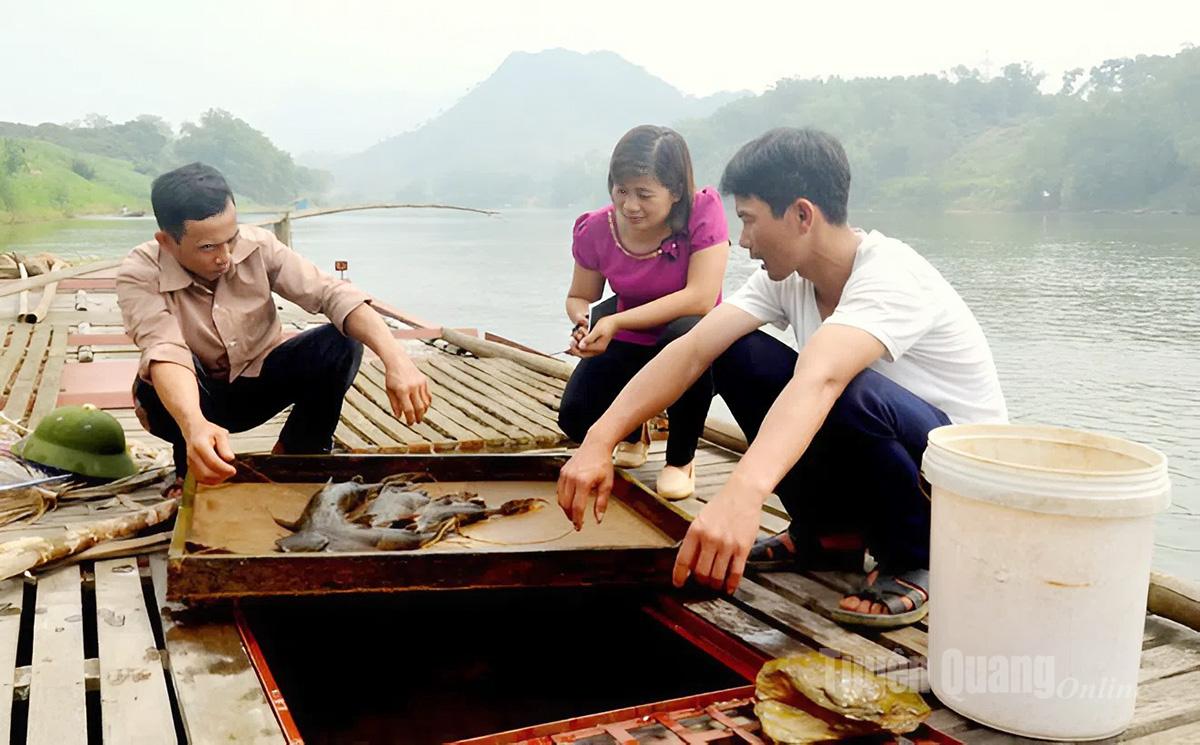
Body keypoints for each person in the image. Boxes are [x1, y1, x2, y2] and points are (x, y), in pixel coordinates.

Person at [557, 128, 1007, 628]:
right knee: (735, 351)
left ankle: (914, 557)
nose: (743, 240)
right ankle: (827, 535)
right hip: (887, 451)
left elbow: (822, 381)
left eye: (749, 221)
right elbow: (691, 351)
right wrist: (598, 441)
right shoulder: (788, 276)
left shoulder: (892, 277)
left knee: (845, 385)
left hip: (954, 492)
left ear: (801, 215)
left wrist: (740, 497)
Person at [117, 162, 431, 495]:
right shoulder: (138, 273)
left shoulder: (259, 245)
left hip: (256, 386)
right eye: (208, 247)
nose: (225, 257)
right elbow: (166, 349)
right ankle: (191, 464)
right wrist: (194, 425)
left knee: (341, 342)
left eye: (231, 239)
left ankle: (300, 454)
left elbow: (332, 293)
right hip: (185, 404)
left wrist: (397, 359)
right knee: (162, 371)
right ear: (166, 242)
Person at [557, 125, 729, 500]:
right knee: (575, 417)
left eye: (644, 194)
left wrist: (615, 320)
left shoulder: (703, 212)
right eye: (622, 191)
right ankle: (634, 433)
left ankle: (681, 459)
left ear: (676, 191)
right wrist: (585, 322)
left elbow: (700, 298)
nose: (630, 206)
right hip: (628, 338)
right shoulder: (596, 228)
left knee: (685, 333)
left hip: (693, 344)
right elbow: (580, 296)